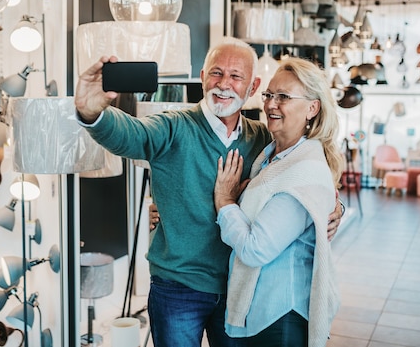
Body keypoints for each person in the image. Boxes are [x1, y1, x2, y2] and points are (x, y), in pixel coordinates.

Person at [74, 37, 343, 347]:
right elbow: (132, 135)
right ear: (203, 78)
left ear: (252, 87)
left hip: (237, 288)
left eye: (235, 76)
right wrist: (92, 113)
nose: (223, 84)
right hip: (178, 287)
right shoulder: (173, 128)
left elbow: (302, 173)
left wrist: (334, 207)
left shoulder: (262, 139)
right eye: (216, 73)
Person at [213, 58, 342, 347]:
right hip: (259, 309)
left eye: (283, 97)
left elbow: (255, 249)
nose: (271, 104)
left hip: (278, 314)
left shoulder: (303, 170)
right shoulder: (270, 155)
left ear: (312, 107)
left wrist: (224, 201)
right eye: (269, 95)